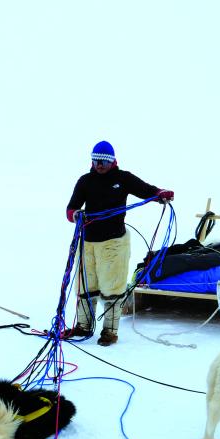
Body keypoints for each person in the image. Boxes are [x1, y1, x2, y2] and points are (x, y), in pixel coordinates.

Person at [64, 140, 173, 346]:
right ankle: (83, 326)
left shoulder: (123, 179)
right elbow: (70, 209)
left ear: (112, 161)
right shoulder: (85, 181)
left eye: (104, 162)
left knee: (112, 288)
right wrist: (77, 214)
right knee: (86, 286)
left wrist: (160, 194)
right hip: (87, 243)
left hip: (113, 244)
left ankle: (110, 331)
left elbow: (147, 190)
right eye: (96, 161)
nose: (99, 165)